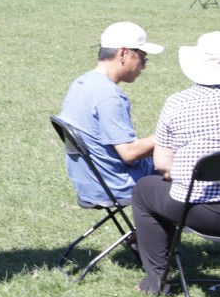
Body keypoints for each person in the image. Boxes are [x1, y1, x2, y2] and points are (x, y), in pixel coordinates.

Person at [132, 32, 220, 297]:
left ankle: (159, 281)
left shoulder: (178, 103)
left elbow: (163, 165)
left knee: (145, 189)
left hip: (193, 209)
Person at [58, 22, 163, 204]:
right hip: (116, 186)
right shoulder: (109, 96)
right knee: (185, 170)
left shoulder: (81, 83)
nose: (143, 66)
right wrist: (169, 136)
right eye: (142, 58)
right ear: (123, 53)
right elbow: (129, 153)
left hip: (89, 183)